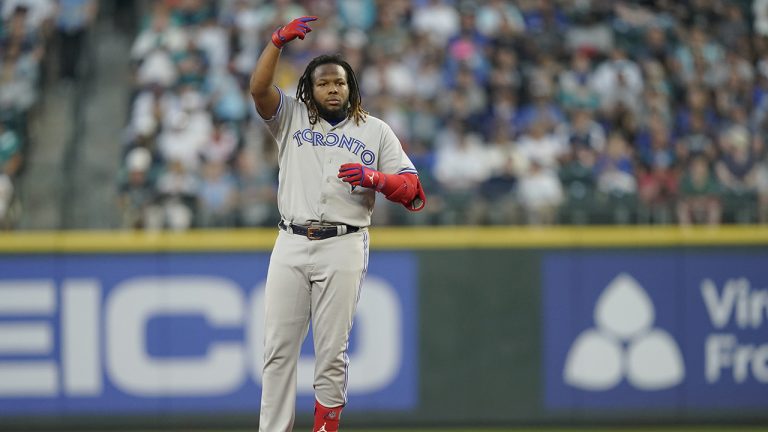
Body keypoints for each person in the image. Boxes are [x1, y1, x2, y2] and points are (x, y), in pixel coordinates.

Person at [248, 16, 426, 432]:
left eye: (340, 83)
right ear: (309, 88)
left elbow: (414, 190)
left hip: (344, 243)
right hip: (291, 239)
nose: (332, 89)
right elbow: (258, 90)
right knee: (277, 351)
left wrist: (375, 179)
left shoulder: (375, 131)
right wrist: (276, 43)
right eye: (324, 82)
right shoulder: (290, 117)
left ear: (352, 89)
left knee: (332, 352)